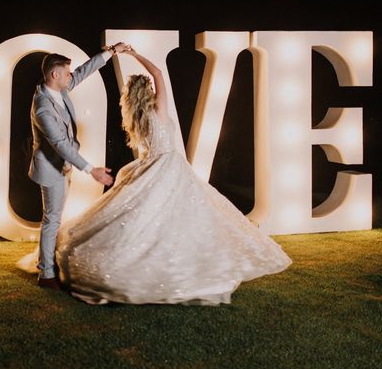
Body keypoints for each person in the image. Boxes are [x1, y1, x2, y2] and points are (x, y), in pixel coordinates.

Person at [54, 45, 293, 305]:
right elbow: (158, 72)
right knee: (178, 218)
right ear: (147, 92)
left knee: (150, 220)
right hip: (169, 165)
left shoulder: (137, 118)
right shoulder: (159, 109)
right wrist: (134, 55)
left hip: (151, 166)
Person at [26, 43, 129, 290]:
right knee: (51, 219)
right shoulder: (42, 108)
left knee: (56, 218)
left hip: (64, 167)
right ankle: (46, 274)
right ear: (55, 74)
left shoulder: (58, 89)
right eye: (67, 72)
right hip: (51, 169)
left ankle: (49, 263)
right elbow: (60, 144)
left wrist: (110, 52)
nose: (71, 76)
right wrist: (91, 170)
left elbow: (84, 71)